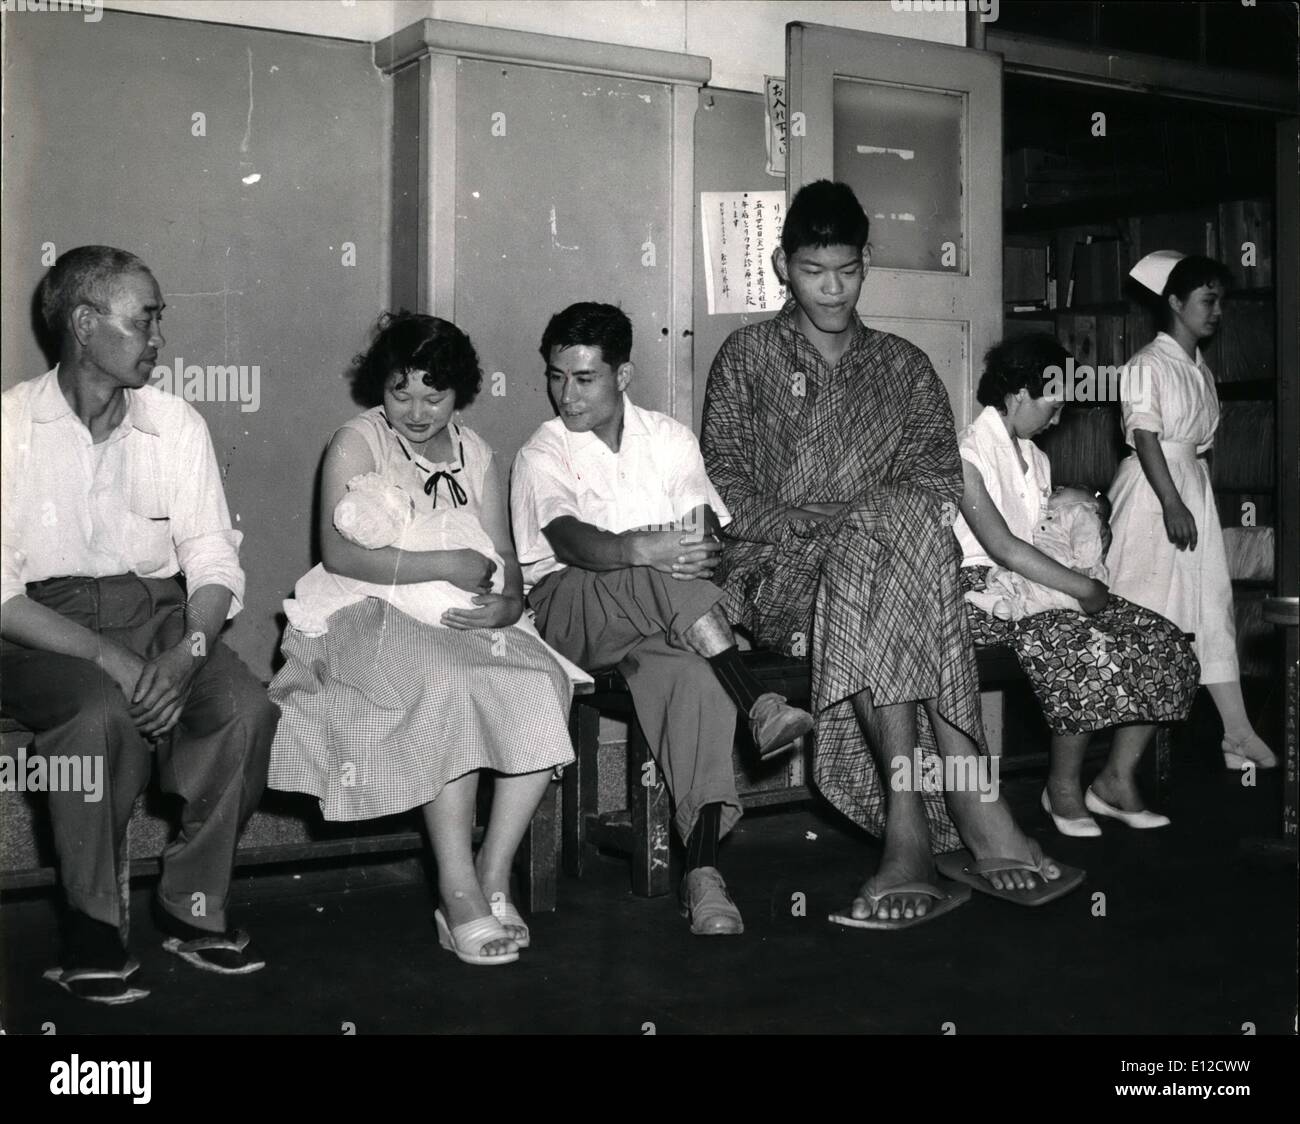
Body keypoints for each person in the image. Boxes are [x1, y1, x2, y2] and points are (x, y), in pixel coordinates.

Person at [702, 181, 1081, 929]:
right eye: (813, 270)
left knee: (893, 546)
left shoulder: (905, 367)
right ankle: (977, 805)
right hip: (776, 576)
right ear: (784, 265)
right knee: (894, 542)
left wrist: (862, 524)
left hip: (884, 577)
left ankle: (908, 835)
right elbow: (727, 490)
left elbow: (940, 479)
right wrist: (844, 522)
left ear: (866, 262)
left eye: (846, 269)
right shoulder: (745, 358)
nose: (831, 288)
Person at [1, 246, 277, 1003]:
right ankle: (94, 929)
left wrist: (190, 651)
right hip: (39, 630)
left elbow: (213, 559)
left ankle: (193, 906)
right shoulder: (10, 425)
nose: (160, 337)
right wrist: (115, 666)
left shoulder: (174, 421)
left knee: (245, 710)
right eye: (145, 318)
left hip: (160, 615)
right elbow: (1, 595)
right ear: (85, 325)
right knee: (96, 714)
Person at [267, 312, 579, 967]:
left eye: (433, 396)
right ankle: (457, 890)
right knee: (451, 681)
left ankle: (493, 875)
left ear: (459, 393)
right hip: (367, 610)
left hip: (459, 614)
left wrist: (511, 602)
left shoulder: (478, 453)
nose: (414, 409)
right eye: (399, 391)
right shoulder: (357, 441)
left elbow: (503, 552)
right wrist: (441, 566)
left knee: (545, 681)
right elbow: (340, 556)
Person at [511, 302, 814, 937]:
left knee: (697, 682)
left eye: (584, 377)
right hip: (571, 609)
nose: (566, 394)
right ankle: (758, 701)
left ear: (623, 374)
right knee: (649, 563)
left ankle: (702, 875)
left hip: (664, 622)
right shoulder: (544, 449)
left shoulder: (669, 436)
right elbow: (568, 539)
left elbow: (700, 520)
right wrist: (646, 546)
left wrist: (689, 543)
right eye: (556, 376)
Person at [954, 334, 1200, 837]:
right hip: (985, 594)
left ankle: (1114, 779)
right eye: (1054, 403)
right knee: (1081, 646)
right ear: (1019, 392)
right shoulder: (967, 451)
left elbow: (1042, 539)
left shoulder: (1036, 459)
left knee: (1163, 642)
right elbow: (1003, 547)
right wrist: (1083, 590)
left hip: (1041, 581)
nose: (1060, 418)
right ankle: (1061, 787)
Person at [1108, 251, 1277, 772]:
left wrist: (1192, 498)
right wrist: (1173, 502)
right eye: (1208, 300)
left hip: (1190, 490)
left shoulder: (1199, 369)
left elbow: (1197, 446)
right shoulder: (1145, 365)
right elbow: (1145, 436)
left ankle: (1237, 733)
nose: (1218, 310)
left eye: (1221, 300)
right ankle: (1110, 773)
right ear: (1176, 302)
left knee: (1209, 609)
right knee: (1149, 618)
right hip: (1154, 496)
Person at [964, 485, 1110, 621]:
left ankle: (1008, 604)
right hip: (1049, 565)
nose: (1060, 487)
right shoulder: (1051, 514)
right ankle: (1009, 606)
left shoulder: (1083, 510)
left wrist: (1083, 565)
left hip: (1069, 568)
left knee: (1040, 590)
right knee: (1033, 592)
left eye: (1077, 487)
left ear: (1094, 504)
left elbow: (1086, 537)